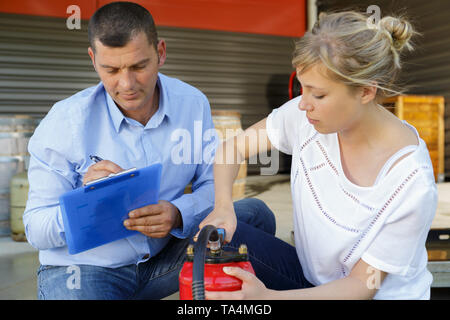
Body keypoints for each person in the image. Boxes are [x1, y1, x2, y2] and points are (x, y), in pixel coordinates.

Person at [23, 1, 275, 300]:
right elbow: (35, 228)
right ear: (93, 60)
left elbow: (213, 184)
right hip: (87, 269)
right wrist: (87, 206)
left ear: (161, 53)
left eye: (138, 66)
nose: (126, 83)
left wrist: (179, 214)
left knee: (255, 216)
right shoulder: (64, 122)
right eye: (111, 69)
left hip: (164, 260)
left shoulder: (191, 103)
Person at [199, 10, 438, 300]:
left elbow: (361, 286)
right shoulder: (306, 116)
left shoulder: (410, 179)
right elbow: (233, 147)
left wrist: (267, 298)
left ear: (365, 91)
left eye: (318, 94)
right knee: (213, 236)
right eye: (303, 88)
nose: (303, 104)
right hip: (311, 280)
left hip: (365, 294)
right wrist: (223, 204)